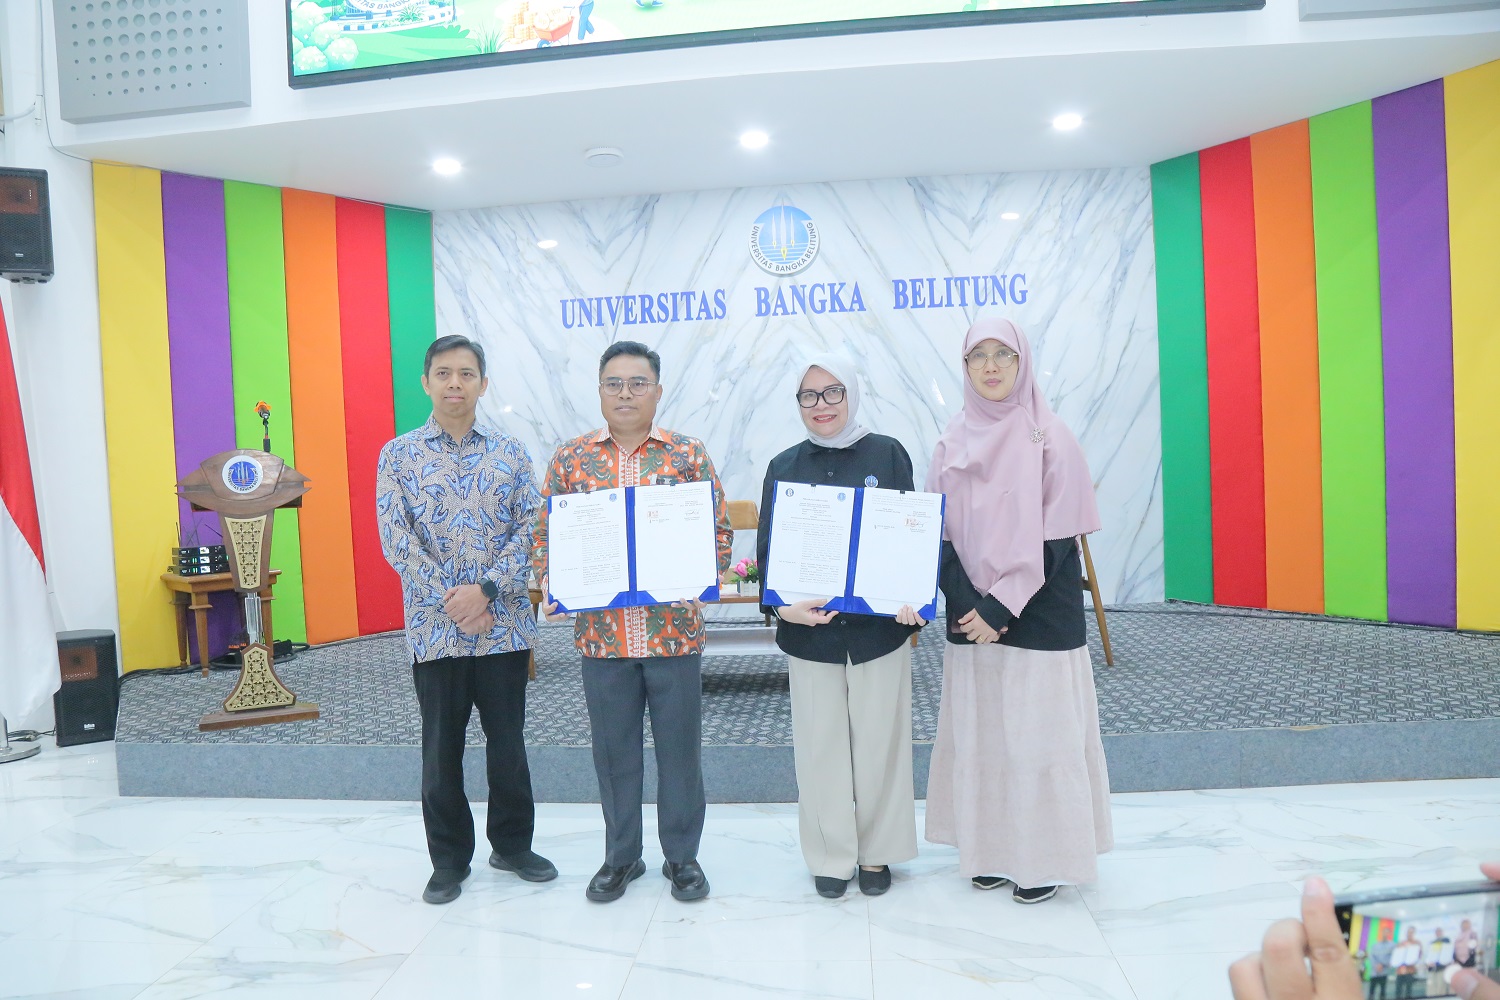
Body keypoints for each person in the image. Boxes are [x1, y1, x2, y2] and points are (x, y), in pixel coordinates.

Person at [532, 341, 732, 904]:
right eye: (614, 383)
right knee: (614, 754)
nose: (626, 393)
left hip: (673, 634)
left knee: (680, 755)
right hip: (603, 638)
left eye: (637, 383)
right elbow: (546, 535)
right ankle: (621, 857)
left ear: (657, 392)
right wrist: (553, 582)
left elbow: (717, 531)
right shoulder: (572, 460)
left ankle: (682, 858)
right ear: (599, 391)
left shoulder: (686, 455)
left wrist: (703, 576)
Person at [923, 317, 1112, 904]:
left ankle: (1045, 859)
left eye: (1003, 353)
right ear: (965, 367)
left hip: (1039, 612)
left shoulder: (1051, 436)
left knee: (1038, 741)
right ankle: (990, 850)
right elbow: (935, 533)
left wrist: (1000, 606)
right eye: (977, 355)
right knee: (984, 739)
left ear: (1022, 361)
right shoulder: (951, 440)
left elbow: (1058, 540)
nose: (991, 366)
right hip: (971, 615)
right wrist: (969, 604)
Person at [376, 334, 557, 905]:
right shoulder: (397, 455)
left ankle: (513, 845)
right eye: (444, 373)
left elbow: (532, 528)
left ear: (483, 384)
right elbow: (397, 541)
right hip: (435, 631)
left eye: (467, 373)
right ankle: (449, 861)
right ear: (426, 382)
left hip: (503, 626)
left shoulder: (510, 452)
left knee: (509, 746)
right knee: (440, 750)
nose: (455, 383)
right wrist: (455, 603)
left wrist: (486, 592)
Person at [757, 355, 925, 899]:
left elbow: (910, 535)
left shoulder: (888, 453)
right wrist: (781, 607)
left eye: (833, 392)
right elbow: (768, 550)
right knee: (819, 749)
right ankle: (831, 856)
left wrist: (914, 598)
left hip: (879, 633)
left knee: (882, 747)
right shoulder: (784, 465)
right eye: (809, 395)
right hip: (811, 636)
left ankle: (878, 853)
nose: (822, 405)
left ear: (851, 394)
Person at [1229, 863, 1500, 1000]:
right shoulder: (1392, 945)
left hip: (1449, 967)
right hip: (1388, 970)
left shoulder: (1436, 941)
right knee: (1383, 990)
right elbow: (1382, 955)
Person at [1367, 923, 1396, 1000]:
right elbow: (1371, 956)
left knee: (1383, 991)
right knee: (1371, 991)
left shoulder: (1392, 945)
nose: (1385, 934)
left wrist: (1383, 965)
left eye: (1387, 932)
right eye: (1384, 932)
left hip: (1384, 971)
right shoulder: (1375, 945)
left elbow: (1392, 957)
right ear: (1381, 933)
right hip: (1374, 972)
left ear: (1389, 934)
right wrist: (1376, 965)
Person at [1427, 927, 1455, 997]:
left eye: (1439, 931)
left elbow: (1449, 954)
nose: (1438, 933)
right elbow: (1431, 956)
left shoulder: (1446, 941)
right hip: (1433, 969)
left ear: (1442, 932)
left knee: (1441, 988)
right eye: (1437, 932)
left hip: (1443, 968)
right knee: (1432, 989)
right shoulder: (1433, 943)